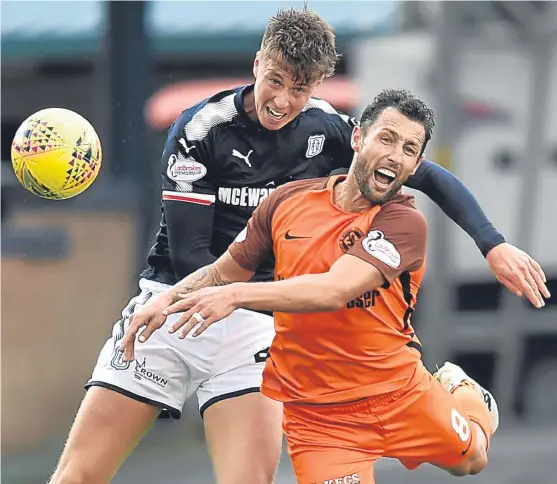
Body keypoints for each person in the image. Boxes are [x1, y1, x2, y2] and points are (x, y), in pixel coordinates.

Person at [50, 7, 549, 484]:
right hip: (179, 296)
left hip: (253, 323)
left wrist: (492, 244)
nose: (283, 101)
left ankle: (459, 401)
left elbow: (426, 175)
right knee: (79, 475)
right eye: (275, 80)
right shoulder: (201, 129)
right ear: (257, 65)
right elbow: (193, 259)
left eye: (300, 88)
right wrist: (176, 300)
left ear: (316, 87)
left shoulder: (330, 130)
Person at [122, 89, 522, 483]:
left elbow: (334, 290)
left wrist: (235, 296)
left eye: (408, 149)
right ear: (357, 139)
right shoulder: (285, 203)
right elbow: (222, 272)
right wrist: (166, 300)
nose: (395, 155)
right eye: (386, 138)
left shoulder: (404, 222)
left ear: (415, 164)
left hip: (400, 393)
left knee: (471, 459)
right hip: (320, 420)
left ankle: (464, 390)